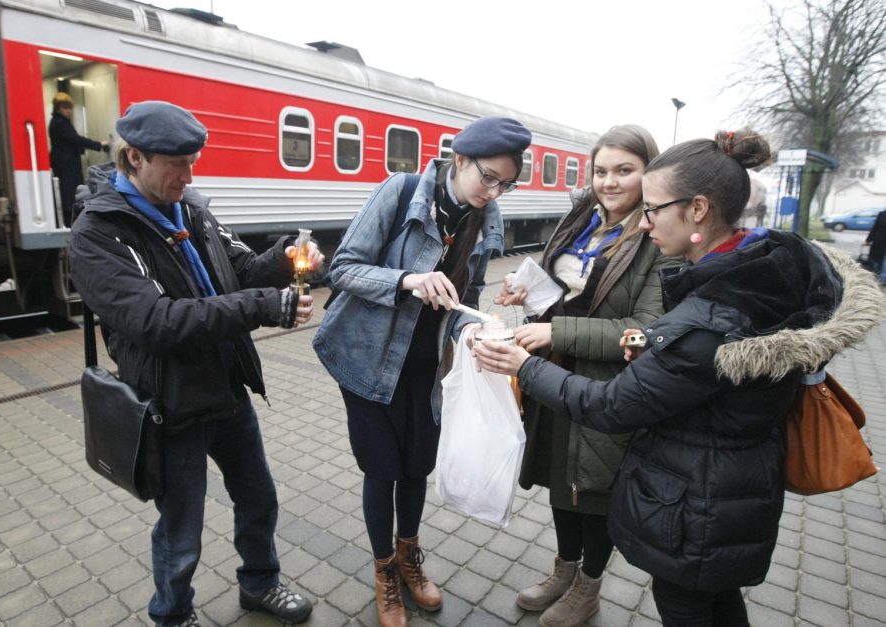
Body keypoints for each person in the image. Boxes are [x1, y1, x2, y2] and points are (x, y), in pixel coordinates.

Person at [474, 129, 884, 626]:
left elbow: (612, 405)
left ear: (697, 210)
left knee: (688, 606)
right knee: (719, 603)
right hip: (728, 487)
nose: (645, 223)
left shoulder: (706, 321)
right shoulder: (761, 267)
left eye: (653, 208)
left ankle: (586, 586)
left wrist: (524, 365)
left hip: (698, 501)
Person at [69, 101, 321, 627]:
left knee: (259, 497)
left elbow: (243, 268)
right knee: (182, 526)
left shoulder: (192, 209)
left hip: (227, 388)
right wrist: (264, 308)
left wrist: (283, 257)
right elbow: (155, 321)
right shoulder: (99, 233)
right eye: (176, 164)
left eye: (193, 161)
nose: (189, 175)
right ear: (133, 157)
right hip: (170, 402)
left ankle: (260, 585)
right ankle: (172, 615)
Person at [313, 116, 532, 627]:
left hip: (426, 369)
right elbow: (341, 268)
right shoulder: (402, 190)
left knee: (416, 466)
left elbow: (467, 299)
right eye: (489, 177)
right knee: (382, 468)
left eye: (506, 183)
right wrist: (410, 279)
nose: (494, 191)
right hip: (368, 360)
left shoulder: (486, 216)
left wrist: (468, 333)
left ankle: (410, 559)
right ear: (459, 160)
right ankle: (385, 572)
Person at [494, 125, 679, 627]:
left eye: (625, 170)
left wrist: (558, 334)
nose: (610, 182)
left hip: (606, 387)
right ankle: (564, 570)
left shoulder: (658, 237)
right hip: (554, 376)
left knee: (594, 493)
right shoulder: (584, 218)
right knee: (561, 481)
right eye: (601, 171)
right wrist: (525, 287)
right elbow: (566, 286)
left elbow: (643, 330)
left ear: (650, 174)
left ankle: (588, 588)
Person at [48, 91, 109, 226]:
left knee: (69, 194)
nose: (69, 111)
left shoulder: (57, 122)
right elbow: (75, 139)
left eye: (70, 107)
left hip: (63, 164)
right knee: (70, 194)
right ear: (58, 108)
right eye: (65, 107)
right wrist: (99, 145)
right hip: (66, 166)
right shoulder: (60, 123)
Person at [865, 207, 886, 285]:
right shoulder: (882, 214)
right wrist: (868, 240)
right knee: (877, 261)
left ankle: (882, 279)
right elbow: (875, 228)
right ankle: (877, 276)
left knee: (884, 263)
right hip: (879, 241)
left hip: (880, 241)